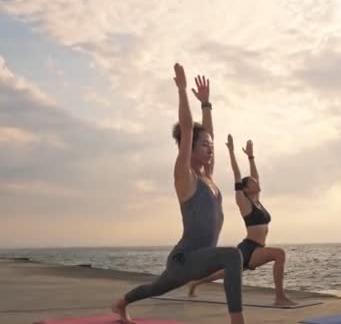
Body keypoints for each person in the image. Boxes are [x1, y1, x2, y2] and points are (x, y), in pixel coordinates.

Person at [111, 63, 246, 324]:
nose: (210, 149)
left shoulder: (209, 177)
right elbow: (187, 129)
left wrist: (207, 105)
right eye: (204, 145)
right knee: (233, 255)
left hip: (198, 259)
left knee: (154, 289)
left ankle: (121, 303)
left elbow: (208, 135)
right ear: (190, 149)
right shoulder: (186, 177)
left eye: (210, 146)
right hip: (184, 260)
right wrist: (183, 90)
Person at [187, 135, 296, 306]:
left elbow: (255, 175)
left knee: (223, 272)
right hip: (249, 248)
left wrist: (251, 157)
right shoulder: (243, 202)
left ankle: (195, 283)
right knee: (279, 254)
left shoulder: (257, 201)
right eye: (252, 182)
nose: (256, 182)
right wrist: (231, 151)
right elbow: (237, 175)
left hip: (258, 247)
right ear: (245, 188)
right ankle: (279, 297)